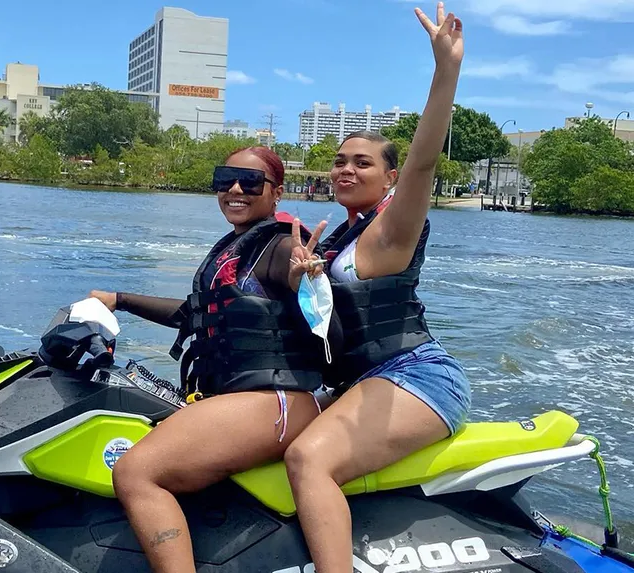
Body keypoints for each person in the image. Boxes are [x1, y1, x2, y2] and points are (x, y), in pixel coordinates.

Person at [282, 4, 472, 573]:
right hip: (356, 382)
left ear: (388, 177)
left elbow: (422, 165)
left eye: (361, 163)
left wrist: (446, 70)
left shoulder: (394, 226)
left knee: (307, 461)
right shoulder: (341, 236)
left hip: (414, 378)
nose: (344, 170)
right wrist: (304, 280)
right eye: (338, 161)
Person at [87, 146, 338, 573]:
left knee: (135, 473)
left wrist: (304, 280)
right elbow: (195, 314)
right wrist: (120, 300)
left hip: (274, 399)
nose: (235, 189)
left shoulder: (279, 246)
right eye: (225, 179)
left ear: (275, 192)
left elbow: (299, 286)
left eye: (250, 181)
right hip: (241, 399)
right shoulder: (237, 249)